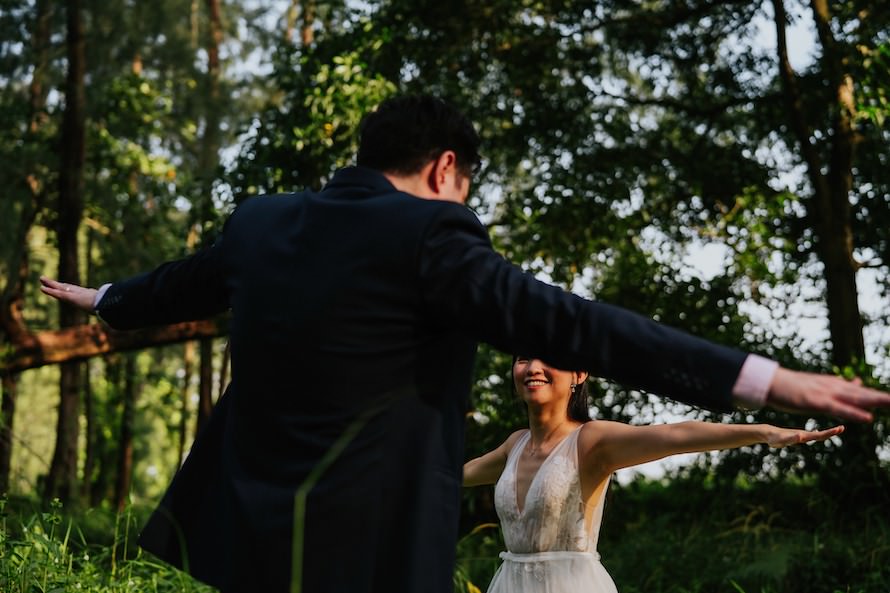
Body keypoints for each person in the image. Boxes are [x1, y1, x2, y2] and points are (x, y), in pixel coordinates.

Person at [38, 94, 890, 593]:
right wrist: (764, 377)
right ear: (446, 169)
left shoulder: (262, 223)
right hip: (367, 554)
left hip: (244, 541)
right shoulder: (434, 238)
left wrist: (108, 298)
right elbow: (578, 324)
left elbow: (175, 285)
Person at [462, 357, 844, 592]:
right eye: (524, 359)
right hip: (509, 585)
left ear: (578, 374)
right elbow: (450, 477)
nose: (533, 368)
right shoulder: (514, 444)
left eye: (550, 360)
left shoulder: (591, 440)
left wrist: (764, 432)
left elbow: (675, 435)